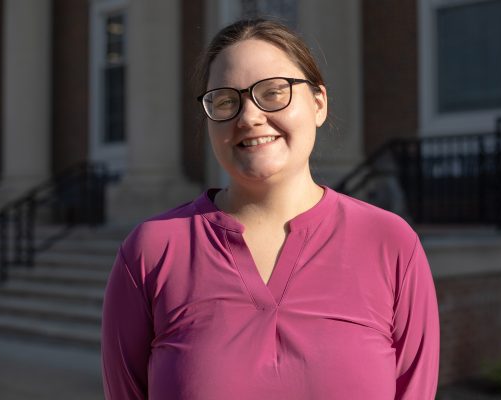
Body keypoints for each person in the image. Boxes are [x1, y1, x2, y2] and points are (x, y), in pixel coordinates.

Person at [102, 18, 439, 400]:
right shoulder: (151, 251)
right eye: (226, 100)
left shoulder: (390, 243)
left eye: (274, 92)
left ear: (318, 103)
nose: (248, 117)